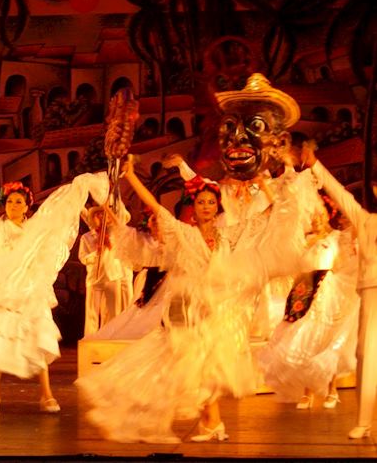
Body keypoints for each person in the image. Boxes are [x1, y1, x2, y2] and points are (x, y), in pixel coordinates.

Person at [77, 153, 307, 443]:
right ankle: (211, 423)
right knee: (180, 364)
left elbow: (269, 215)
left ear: (216, 206)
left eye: (212, 202)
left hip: (215, 311)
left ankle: (212, 423)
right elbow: (153, 205)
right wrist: (132, 175)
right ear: (194, 207)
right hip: (186, 310)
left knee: (203, 366)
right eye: (202, 202)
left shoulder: (229, 235)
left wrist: (267, 182)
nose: (208, 206)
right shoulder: (182, 233)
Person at [0, 156, 108, 415]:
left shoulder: (34, 231)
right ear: (6, 205)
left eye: (20, 201)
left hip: (29, 292)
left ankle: (46, 395)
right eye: (11, 201)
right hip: (2, 295)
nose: (14, 204)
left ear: (27, 206)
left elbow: (58, 219)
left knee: (37, 339)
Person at [302, 143, 377, 439]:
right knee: (366, 353)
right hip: (372, 291)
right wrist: (315, 164)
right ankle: (363, 421)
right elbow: (340, 194)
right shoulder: (366, 220)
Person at [257, 198, 359, 410]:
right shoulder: (303, 241)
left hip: (326, 291)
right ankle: (308, 391)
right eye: (313, 216)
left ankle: (332, 390)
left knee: (325, 339)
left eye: (321, 214)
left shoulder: (335, 238)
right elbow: (298, 268)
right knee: (304, 339)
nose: (317, 219)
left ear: (328, 214)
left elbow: (340, 264)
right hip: (304, 292)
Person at [78, 206, 134, 335]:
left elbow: (123, 218)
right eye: (98, 215)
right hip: (94, 278)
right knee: (92, 311)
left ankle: (109, 336)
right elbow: (83, 258)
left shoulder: (115, 234)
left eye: (104, 214)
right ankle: (90, 337)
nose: (102, 217)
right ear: (92, 218)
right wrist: (95, 253)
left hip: (113, 276)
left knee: (112, 311)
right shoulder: (87, 237)